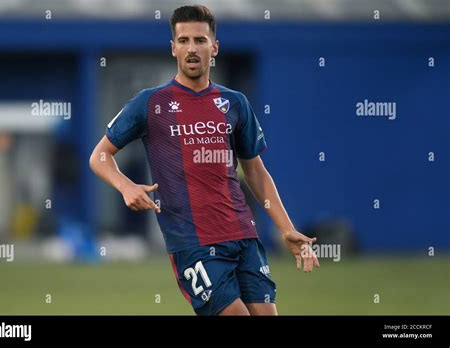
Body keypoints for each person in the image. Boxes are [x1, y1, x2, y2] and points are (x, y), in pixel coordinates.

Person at [90, 5, 319, 316]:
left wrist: (286, 228)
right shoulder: (150, 103)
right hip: (192, 242)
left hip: (242, 234)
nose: (192, 48)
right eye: (183, 41)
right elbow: (100, 156)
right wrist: (125, 185)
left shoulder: (235, 103)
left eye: (200, 40)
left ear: (215, 48)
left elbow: (255, 172)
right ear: (173, 48)